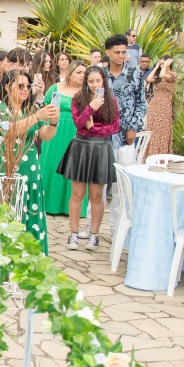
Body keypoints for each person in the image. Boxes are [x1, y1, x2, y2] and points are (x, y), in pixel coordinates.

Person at [0, 70, 59, 275]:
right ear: (8, 87)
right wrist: (38, 116)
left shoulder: (31, 109)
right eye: (20, 86)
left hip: (29, 171)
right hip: (3, 171)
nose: (25, 90)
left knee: (29, 214)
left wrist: (53, 121)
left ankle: (25, 267)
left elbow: (45, 135)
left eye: (28, 86)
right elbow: (9, 130)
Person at [58, 65, 120, 251]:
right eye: (90, 81)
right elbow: (78, 123)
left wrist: (93, 129)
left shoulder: (111, 101)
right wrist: (90, 109)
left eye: (98, 81)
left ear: (104, 81)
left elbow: (114, 127)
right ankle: (74, 234)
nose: (94, 84)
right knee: (77, 194)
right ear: (86, 82)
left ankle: (94, 235)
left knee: (97, 196)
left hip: (100, 148)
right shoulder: (79, 99)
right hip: (81, 146)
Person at [42, 61, 88, 217]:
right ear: (70, 73)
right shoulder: (56, 88)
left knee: (74, 166)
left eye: (84, 73)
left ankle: (72, 207)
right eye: (79, 72)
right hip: (55, 129)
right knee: (51, 162)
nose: (82, 76)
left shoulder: (87, 93)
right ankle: (48, 202)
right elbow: (46, 106)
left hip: (76, 131)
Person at [103, 34, 146, 149]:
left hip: (126, 137)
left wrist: (132, 127)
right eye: (117, 52)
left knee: (125, 167)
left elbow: (141, 104)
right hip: (103, 136)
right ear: (107, 52)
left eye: (123, 52)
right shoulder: (99, 75)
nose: (121, 56)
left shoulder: (135, 74)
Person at [143, 55, 177, 159]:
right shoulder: (158, 75)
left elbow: (163, 75)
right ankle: (150, 155)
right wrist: (157, 66)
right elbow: (148, 79)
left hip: (164, 105)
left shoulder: (172, 75)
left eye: (163, 63)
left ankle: (160, 155)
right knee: (152, 130)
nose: (162, 65)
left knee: (162, 130)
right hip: (154, 105)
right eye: (161, 63)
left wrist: (165, 66)